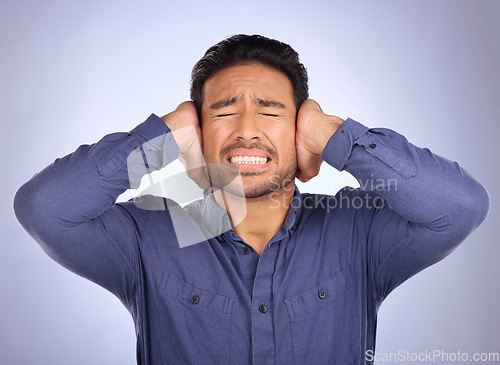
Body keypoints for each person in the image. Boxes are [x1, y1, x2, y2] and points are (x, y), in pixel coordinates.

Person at [13, 34, 489, 364]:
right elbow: (45, 208)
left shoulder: (356, 231)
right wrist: (162, 137)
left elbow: (459, 206)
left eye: (270, 112)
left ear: (299, 129)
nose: (245, 130)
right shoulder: (150, 234)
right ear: (198, 132)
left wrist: (331, 134)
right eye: (222, 111)